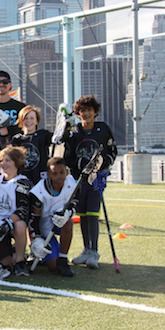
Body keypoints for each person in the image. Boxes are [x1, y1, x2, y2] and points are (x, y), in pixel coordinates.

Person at [63, 95, 117, 269]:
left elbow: (112, 151)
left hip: (96, 180)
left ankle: (94, 251)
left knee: (93, 214)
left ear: (95, 112)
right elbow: (68, 157)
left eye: (89, 110)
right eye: (82, 111)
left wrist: (103, 167)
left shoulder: (103, 129)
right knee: (83, 215)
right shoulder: (74, 132)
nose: (86, 114)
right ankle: (86, 249)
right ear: (78, 114)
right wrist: (80, 166)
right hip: (79, 179)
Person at [0, 145, 32, 276]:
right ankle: (10, 252)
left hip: (11, 223)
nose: (3, 164)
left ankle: (20, 261)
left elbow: (23, 209)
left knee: (20, 225)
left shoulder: (22, 182)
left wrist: (8, 223)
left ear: (16, 162)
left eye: (7, 160)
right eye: (1, 160)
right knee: (6, 263)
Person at [29, 157, 77, 277]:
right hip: (45, 227)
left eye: (62, 172)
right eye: (54, 173)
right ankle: (41, 253)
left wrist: (68, 213)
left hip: (61, 222)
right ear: (48, 174)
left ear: (66, 171)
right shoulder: (38, 191)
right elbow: (33, 219)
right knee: (53, 267)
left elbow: (76, 203)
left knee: (68, 222)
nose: (59, 177)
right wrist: (36, 239)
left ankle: (63, 258)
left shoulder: (71, 183)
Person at [11, 105, 52, 185]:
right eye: (26, 118)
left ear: (37, 121)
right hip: (22, 180)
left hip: (40, 179)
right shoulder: (17, 139)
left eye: (32, 118)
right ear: (21, 120)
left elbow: (57, 139)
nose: (29, 121)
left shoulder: (43, 135)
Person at [0, 70, 27, 139]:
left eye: (5, 82)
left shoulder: (21, 107)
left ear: (10, 85)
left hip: (18, 145)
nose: (1, 84)